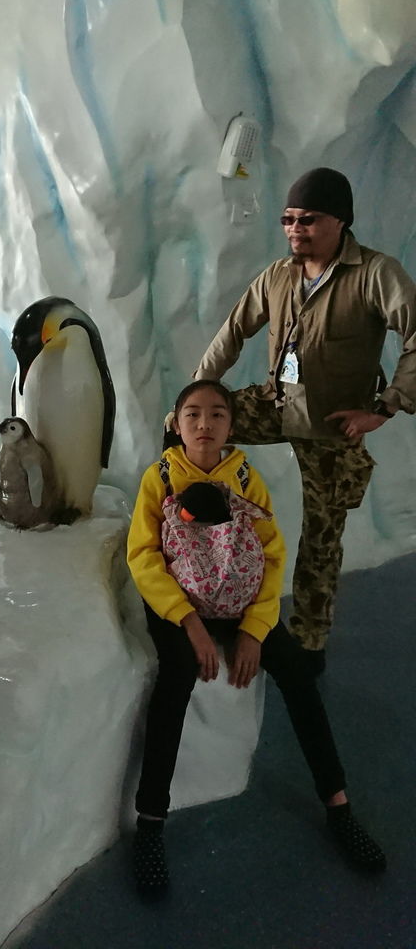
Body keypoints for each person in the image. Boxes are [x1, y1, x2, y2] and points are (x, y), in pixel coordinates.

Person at [127, 379, 385, 892]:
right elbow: (144, 555)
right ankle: (150, 823)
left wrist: (255, 629)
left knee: (298, 675)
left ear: (231, 425)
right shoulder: (160, 478)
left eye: (217, 414)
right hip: (182, 603)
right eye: (193, 414)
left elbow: (270, 554)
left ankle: (338, 804)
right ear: (177, 424)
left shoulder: (246, 478)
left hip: (238, 600)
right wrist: (188, 622)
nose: (205, 424)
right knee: (177, 675)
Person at [195, 168, 416, 674]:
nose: (296, 229)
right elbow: (233, 332)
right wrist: (198, 394)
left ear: (340, 221)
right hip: (277, 404)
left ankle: (309, 646)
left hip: (332, 426)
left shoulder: (376, 274)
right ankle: (199, 572)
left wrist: (384, 408)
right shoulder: (278, 275)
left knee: (321, 539)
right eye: (288, 219)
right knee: (188, 427)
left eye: (309, 219)